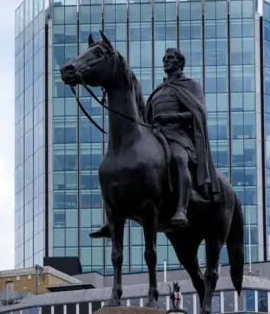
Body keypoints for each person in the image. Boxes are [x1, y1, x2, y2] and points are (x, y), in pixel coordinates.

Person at [90, 48, 220, 238]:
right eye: (164, 58)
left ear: (180, 63)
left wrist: (171, 117)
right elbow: (145, 116)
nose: (166, 61)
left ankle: (181, 209)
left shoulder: (190, 85)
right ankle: (111, 220)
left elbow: (198, 114)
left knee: (178, 159)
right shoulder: (159, 91)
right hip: (157, 135)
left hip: (178, 136)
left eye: (171, 58)